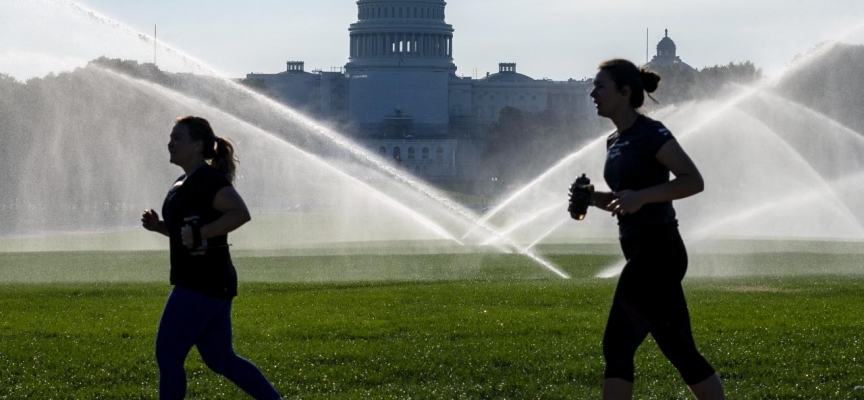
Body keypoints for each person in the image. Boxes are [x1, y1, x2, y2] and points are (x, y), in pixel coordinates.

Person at [585, 59, 726, 400]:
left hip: (659, 249)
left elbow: (693, 180)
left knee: (617, 344)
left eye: (600, 86)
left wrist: (644, 196)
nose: (593, 93)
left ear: (625, 92)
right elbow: (625, 201)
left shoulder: (651, 133)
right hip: (639, 248)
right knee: (679, 348)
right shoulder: (613, 141)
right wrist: (591, 199)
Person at [141, 116, 281, 400]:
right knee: (220, 359)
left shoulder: (208, 180)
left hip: (201, 282)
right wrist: (160, 227)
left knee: (168, 356)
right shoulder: (183, 181)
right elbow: (187, 234)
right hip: (208, 280)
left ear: (198, 144)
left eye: (178, 138)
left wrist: (202, 233)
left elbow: (240, 213)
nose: (170, 143)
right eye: (171, 137)